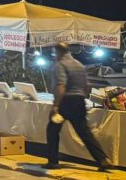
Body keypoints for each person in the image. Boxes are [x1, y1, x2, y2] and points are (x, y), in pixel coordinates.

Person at [45, 42, 111, 171]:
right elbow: (87, 85)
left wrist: (55, 106)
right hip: (79, 100)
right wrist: (81, 97)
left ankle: (53, 161)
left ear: (58, 52)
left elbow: (61, 85)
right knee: (84, 132)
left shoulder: (60, 65)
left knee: (52, 130)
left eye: (54, 52)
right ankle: (102, 159)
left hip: (65, 100)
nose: (54, 55)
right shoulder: (79, 65)